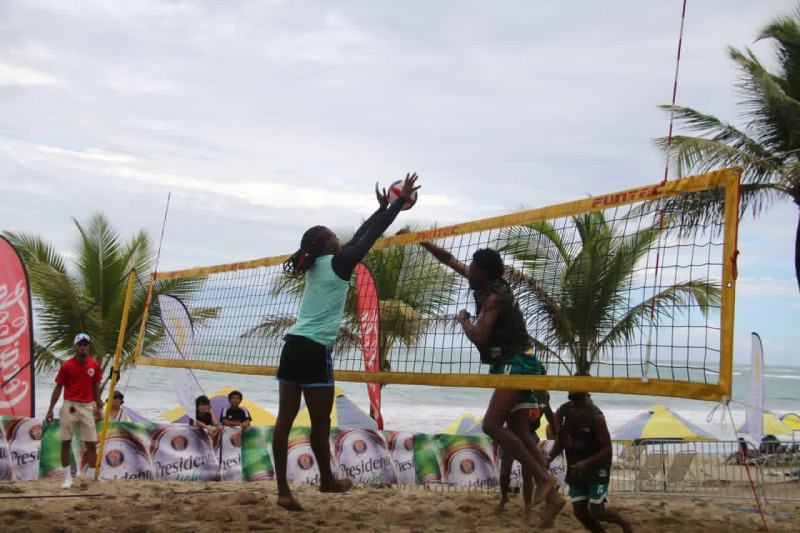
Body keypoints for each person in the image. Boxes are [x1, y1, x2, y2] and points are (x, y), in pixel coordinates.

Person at [273, 173, 420, 512]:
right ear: (328, 245)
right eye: (334, 237)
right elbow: (370, 235)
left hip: (292, 346)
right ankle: (326, 480)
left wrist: (381, 207)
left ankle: (283, 491)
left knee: (284, 420)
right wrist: (398, 202)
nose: (340, 240)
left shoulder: (318, 265)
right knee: (320, 423)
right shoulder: (340, 264)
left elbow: (361, 236)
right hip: (314, 350)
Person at [407, 238, 556, 507]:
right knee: (521, 433)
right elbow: (450, 260)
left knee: (490, 425)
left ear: (484, 274)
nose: (469, 273)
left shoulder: (494, 299)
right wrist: (423, 242)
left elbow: (479, 336)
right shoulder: (484, 283)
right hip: (515, 361)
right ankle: (553, 496)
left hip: (517, 363)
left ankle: (543, 477)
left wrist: (463, 320)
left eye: (473, 270)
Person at [547, 392, 633, 533]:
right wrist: (549, 458)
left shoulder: (596, 417)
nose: (574, 405)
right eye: (572, 402)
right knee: (579, 512)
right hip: (576, 468)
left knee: (597, 511)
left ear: (585, 398)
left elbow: (607, 449)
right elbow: (561, 440)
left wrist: (586, 463)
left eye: (577, 401)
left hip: (597, 468)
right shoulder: (563, 411)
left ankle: (624, 524)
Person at [496, 390, 565, 526]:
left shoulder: (543, 396)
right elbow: (504, 411)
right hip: (511, 432)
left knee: (527, 473)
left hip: (530, 434)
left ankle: (527, 508)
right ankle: (504, 498)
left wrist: (555, 429)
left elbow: (548, 411)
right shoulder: (521, 392)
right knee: (505, 471)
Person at [45, 333, 104, 489]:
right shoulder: (67, 366)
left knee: (91, 442)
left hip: (86, 406)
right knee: (66, 441)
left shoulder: (93, 364)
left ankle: (94, 476)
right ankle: (67, 478)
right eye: (80, 345)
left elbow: (96, 385)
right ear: (75, 347)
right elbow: (58, 387)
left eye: (85, 345)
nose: (83, 347)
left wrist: (99, 406)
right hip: (70, 405)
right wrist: (50, 410)